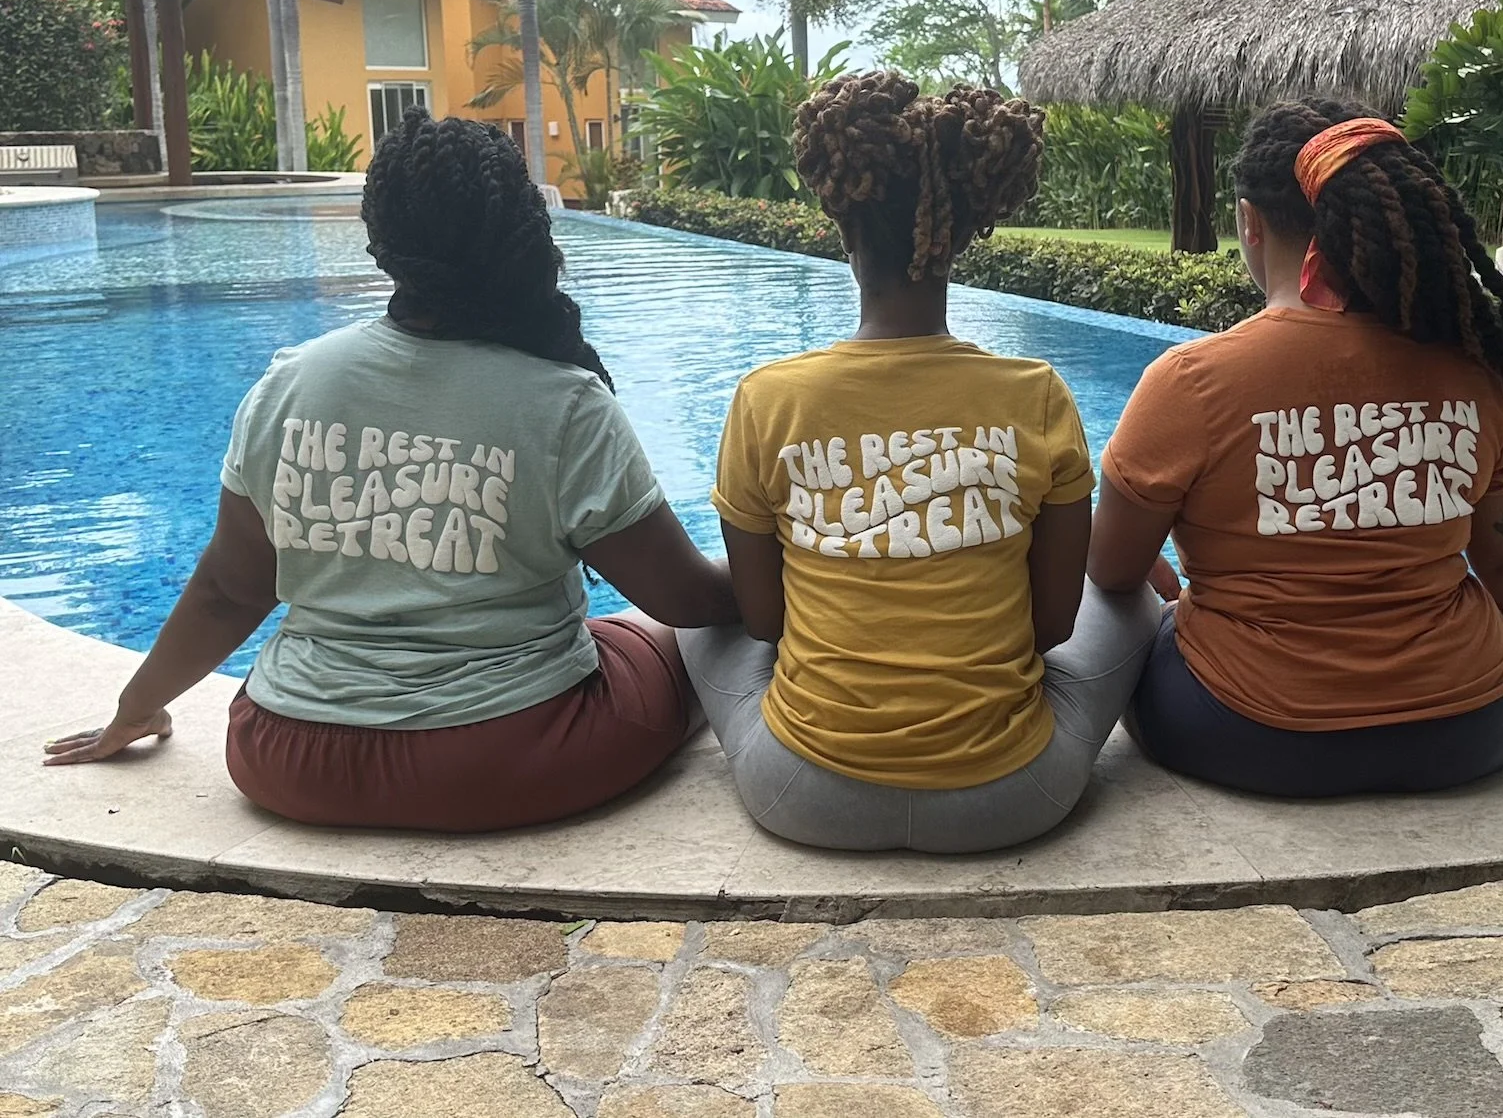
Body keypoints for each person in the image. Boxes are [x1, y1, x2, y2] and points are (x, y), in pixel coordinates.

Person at [43, 111, 740, 832]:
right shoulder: (564, 403)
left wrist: (136, 706)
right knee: (678, 643)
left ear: (380, 240)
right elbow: (684, 597)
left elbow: (227, 591)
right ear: (525, 229)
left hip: (286, 756)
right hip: (508, 755)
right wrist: (784, 568)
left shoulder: (290, 384)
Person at [1089, 99, 1503, 799]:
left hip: (1252, 735)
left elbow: (1112, 571)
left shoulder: (1192, 380)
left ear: (1249, 221)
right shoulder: (1478, 371)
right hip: (1469, 729)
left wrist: (1174, 597)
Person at [686, 71, 1161, 853]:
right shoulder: (1036, 395)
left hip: (803, 793)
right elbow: (1052, 628)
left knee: (687, 615)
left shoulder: (768, 400)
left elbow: (764, 623)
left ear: (844, 228)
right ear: (965, 231)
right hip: (1013, 797)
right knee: (1136, 595)